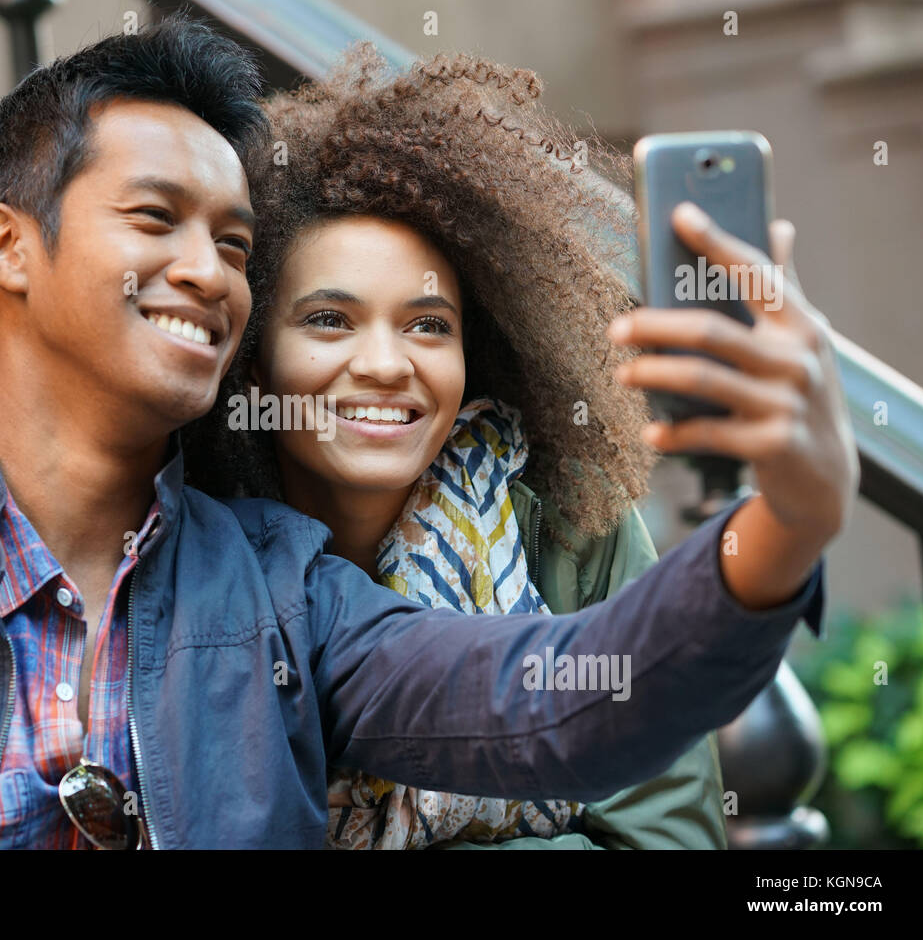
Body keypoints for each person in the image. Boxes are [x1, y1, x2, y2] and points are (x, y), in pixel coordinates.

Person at [0, 15, 848, 850]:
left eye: (235, 244)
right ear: (7, 247)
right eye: (155, 218)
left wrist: (787, 522)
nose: (207, 272)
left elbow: (549, 705)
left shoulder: (285, 590)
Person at [182, 47, 742, 848]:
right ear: (252, 357)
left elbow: (669, 839)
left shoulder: (575, 528)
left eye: (427, 325)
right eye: (329, 320)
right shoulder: (190, 549)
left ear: (471, 352)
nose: (384, 365)